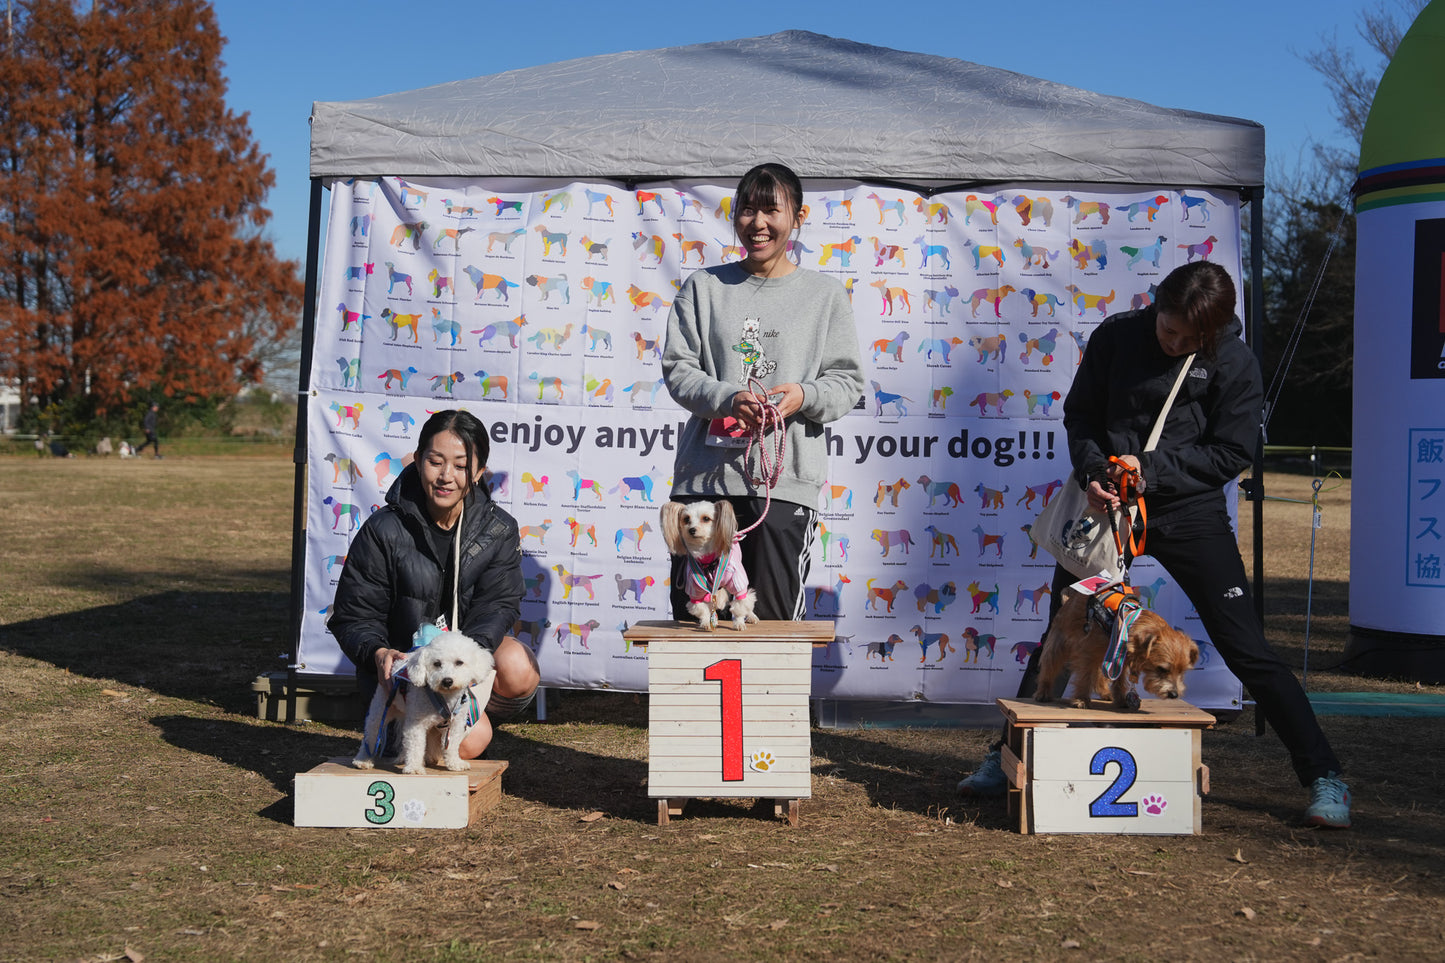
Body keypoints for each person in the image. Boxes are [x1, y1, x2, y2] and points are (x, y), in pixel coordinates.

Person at [956, 261, 1351, 829]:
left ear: (1212, 334)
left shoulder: (1234, 362)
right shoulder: (1118, 336)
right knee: (1063, 632)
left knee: (1248, 647)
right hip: (1107, 509)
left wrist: (1154, 470)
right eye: (1168, 330)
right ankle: (1005, 758)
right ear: (1156, 306)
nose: (1175, 343)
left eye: (1190, 340)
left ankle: (1324, 776)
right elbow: (1082, 415)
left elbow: (1231, 453)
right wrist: (1094, 469)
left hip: (1186, 512)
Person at [662, 162, 864, 621]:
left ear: (798, 216)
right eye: (747, 210)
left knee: (771, 630)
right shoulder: (703, 288)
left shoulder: (824, 295)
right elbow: (678, 369)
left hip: (784, 487)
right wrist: (729, 398)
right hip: (705, 491)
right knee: (699, 625)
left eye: (771, 210)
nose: (758, 223)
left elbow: (847, 381)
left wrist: (803, 395)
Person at [328, 409, 538, 759]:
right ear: (418, 460)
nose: (446, 476)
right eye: (435, 462)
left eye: (460, 465)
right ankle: (421, 733)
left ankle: (467, 715)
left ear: (479, 472)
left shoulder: (499, 529)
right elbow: (353, 616)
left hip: (459, 664)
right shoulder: (383, 530)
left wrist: (467, 659)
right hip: (409, 677)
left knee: (518, 665)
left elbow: (499, 604)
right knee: (471, 742)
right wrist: (379, 653)